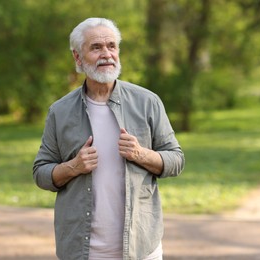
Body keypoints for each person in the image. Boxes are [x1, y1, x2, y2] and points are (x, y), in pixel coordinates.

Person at [33, 17, 185, 260]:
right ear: (77, 57)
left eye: (112, 46)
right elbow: (41, 173)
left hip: (141, 247)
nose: (107, 54)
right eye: (96, 47)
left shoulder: (147, 102)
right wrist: (73, 167)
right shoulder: (59, 112)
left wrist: (140, 154)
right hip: (81, 250)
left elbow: (176, 160)